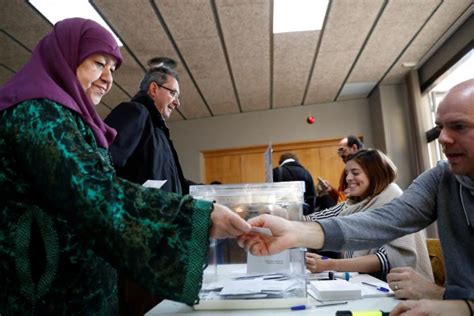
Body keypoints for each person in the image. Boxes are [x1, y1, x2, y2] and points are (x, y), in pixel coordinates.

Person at [0, 18, 250, 314]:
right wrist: (193, 217)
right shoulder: (37, 113)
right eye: (98, 63)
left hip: (86, 283)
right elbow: (93, 189)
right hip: (48, 293)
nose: (108, 77)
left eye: (113, 69)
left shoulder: (71, 119)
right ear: (63, 58)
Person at [237, 79, 474, 313]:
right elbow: (387, 220)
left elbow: (386, 243)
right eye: (440, 127)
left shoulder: (390, 193)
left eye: (459, 126)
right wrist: (294, 229)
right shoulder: (442, 177)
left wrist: (449, 299)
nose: (443, 138)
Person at [305, 149, 432, 281]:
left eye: (355, 173)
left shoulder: (393, 199)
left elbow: (387, 258)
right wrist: (293, 220)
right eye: (347, 173)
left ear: (374, 174)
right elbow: (317, 218)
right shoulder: (355, 202)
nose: (348, 178)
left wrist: (330, 264)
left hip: (399, 288)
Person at [104, 57, 192, 195]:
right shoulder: (135, 112)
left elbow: (175, 183)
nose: (177, 103)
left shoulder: (159, 131)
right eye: (173, 93)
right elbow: (105, 165)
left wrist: (209, 190)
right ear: (154, 89)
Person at [319, 135, 364, 202]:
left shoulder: (367, 168)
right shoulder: (346, 171)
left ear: (354, 148)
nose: (341, 156)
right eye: (339, 152)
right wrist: (331, 190)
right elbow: (342, 199)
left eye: (343, 150)